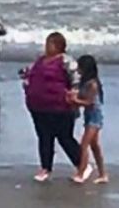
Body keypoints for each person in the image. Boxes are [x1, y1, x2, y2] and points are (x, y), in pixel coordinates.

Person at [21, 32, 81, 182]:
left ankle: (81, 164)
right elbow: (29, 73)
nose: (47, 46)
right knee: (44, 137)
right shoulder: (40, 60)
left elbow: (76, 78)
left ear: (58, 46)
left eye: (51, 43)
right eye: (47, 43)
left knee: (64, 137)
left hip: (60, 107)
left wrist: (74, 94)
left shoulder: (66, 61)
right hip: (38, 107)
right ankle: (45, 168)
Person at [68, 54, 108, 185]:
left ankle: (81, 173)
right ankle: (103, 174)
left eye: (80, 68)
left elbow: (89, 102)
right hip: (89, 116)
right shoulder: (85, 83)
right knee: (95, 146)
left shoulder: (93, 84)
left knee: (84, 144)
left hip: (94, 117)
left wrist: (76, 100)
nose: (78, 71)